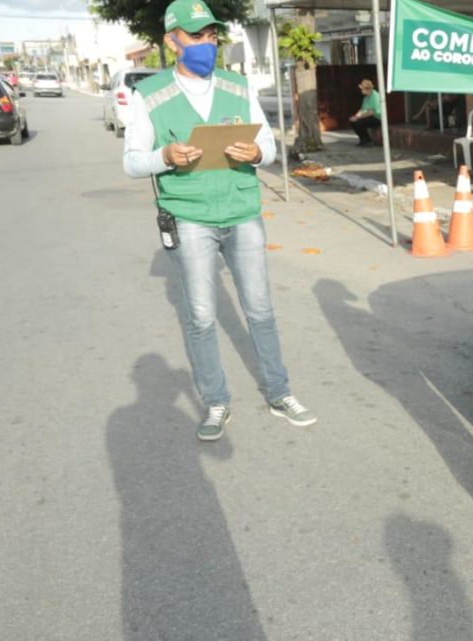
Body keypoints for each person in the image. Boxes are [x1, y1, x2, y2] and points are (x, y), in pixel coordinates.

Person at [122, 0, 317, 441]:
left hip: (242, 212)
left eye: (211, 35)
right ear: (173, 42)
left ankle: (279, 392)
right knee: (202, 316)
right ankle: (215, 401)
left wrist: (257, 153)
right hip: (190, 218)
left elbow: (268, 144)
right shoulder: (149, 94)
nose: (206, 44)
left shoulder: (237, 86)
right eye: (196, 36)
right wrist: (165, 156)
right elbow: (132, 162)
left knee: (261, 310)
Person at [349, 78, 381, 147]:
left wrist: (358, 117)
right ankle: (363, 140)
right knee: (353, 122)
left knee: (359, 122)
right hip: (369, 116)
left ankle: (368, 141)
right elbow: (362, 109)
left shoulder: (375, 96)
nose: (361, 91)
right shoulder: (366, 97)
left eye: (362, 89)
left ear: (367, 89)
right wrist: (355, 116)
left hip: (377, 117)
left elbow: (371, 112)